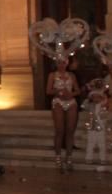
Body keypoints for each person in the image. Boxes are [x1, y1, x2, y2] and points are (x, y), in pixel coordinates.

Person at [30, 18, 89, 173]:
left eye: (64, 62)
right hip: (57, 102)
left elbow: (78, 91)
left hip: (71, 103)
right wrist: (58, 92)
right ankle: (58, 158)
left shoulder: (71, 75)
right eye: (60, 62)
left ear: (67, 62)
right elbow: (48, 91)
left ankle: (69, 158)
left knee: (70, 131)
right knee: (59, 130)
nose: (62, 64)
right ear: (57, 63)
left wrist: (72, 93)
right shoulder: (52, 75)